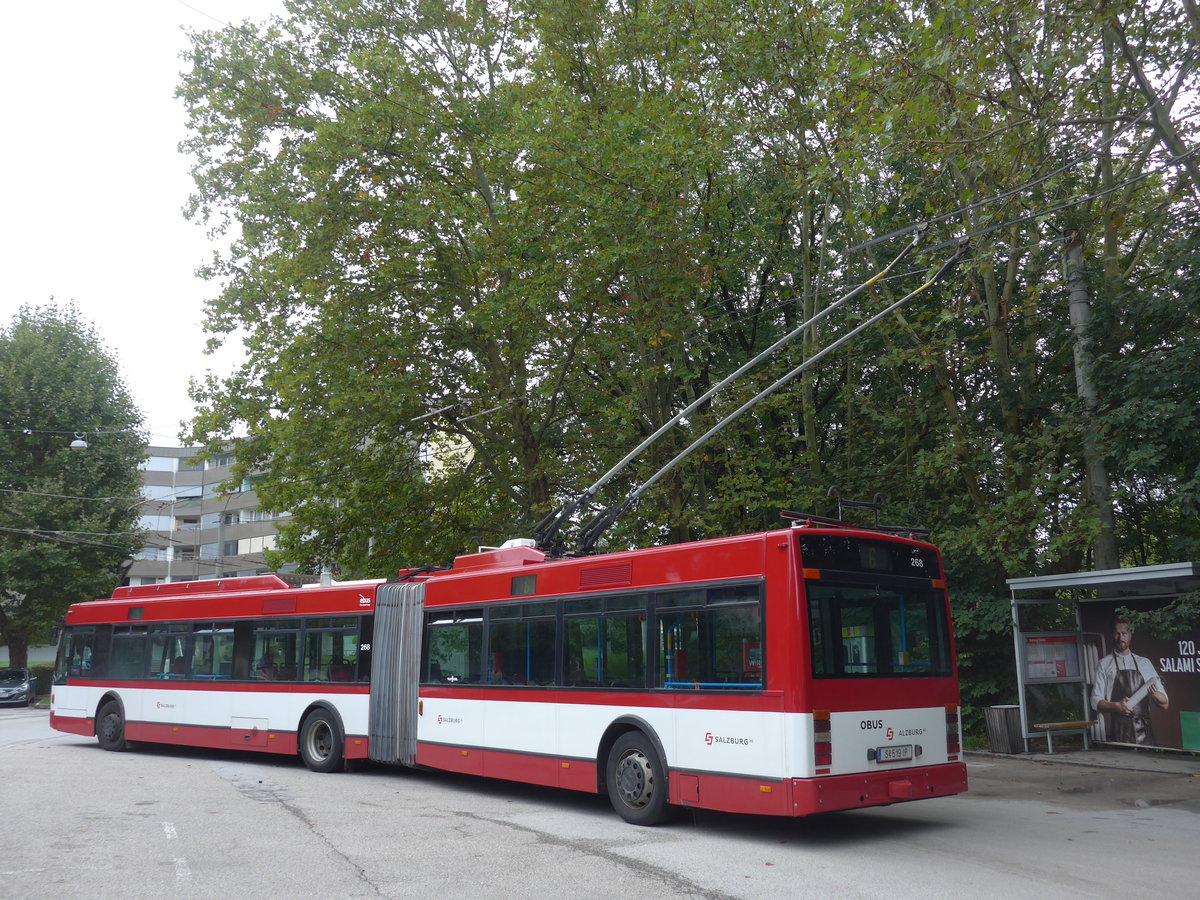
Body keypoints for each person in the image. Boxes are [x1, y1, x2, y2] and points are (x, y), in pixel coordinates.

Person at [1091, 617, 1168, 745]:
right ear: (1112, 634)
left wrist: (1154, 693)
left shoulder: (1144, 663)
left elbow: (1165, 703)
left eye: (1124, 633)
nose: (1121, 637)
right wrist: (1116, 706)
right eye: (1117, 633)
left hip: (1145, 733)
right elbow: (1095, 701)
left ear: (1130, 635)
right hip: (1119, 731)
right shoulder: (1104, 664)